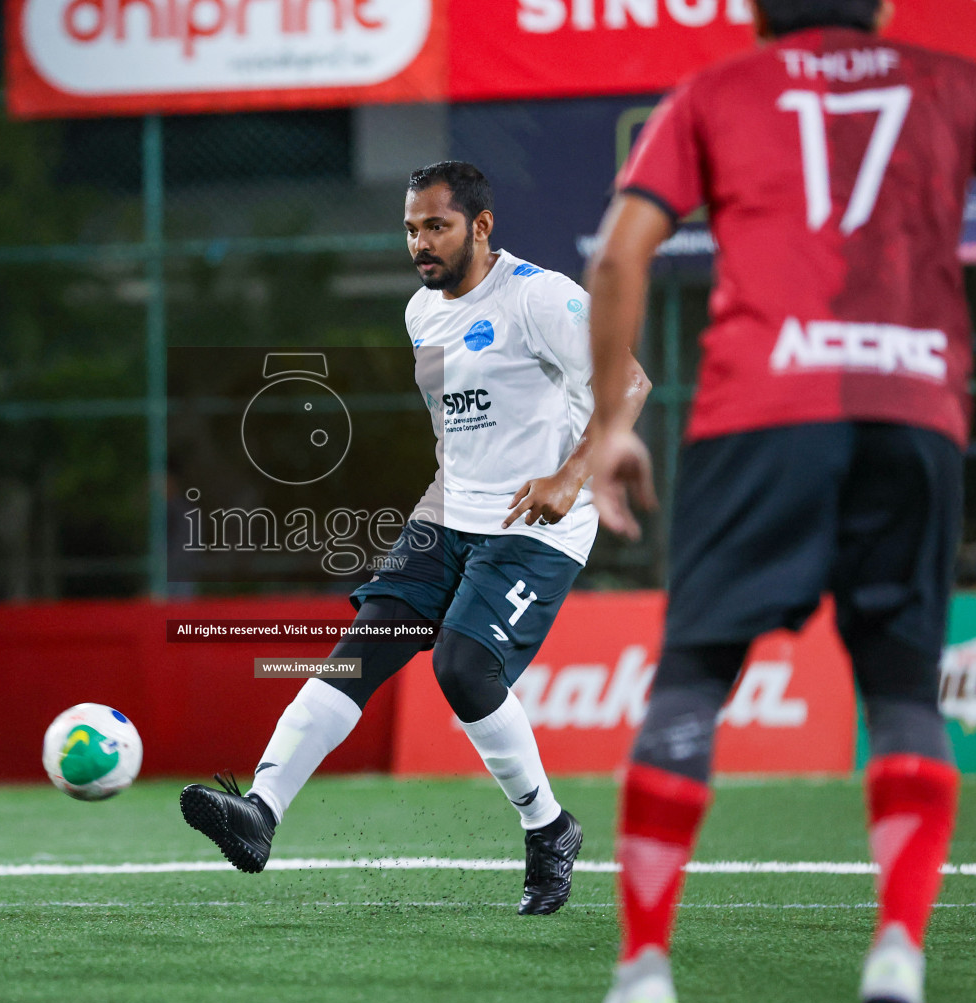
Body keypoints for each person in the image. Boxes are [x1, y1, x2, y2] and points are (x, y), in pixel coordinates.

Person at [582, 0, 976, 1003]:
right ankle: (897, 951)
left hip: (758, 413)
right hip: (914, 408)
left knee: (692, 684)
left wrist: (606, 430)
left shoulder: (713, 93)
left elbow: (622, 252)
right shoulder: (962, 82)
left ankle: (643, 977)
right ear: (884, 4)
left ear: (759, 9)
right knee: (902, 692)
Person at [180, 161, 651, 914]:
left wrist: (569, 476)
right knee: (360, 649)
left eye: (437, 226)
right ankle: (260, 811)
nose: (420, 243)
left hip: (534, 522)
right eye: (410, 229)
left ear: (481, 226)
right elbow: (459, 425)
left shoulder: (542, 296)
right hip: (446, 516)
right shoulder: (420, 313)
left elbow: (627, 382)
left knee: (464, 668)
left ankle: (549, 829)